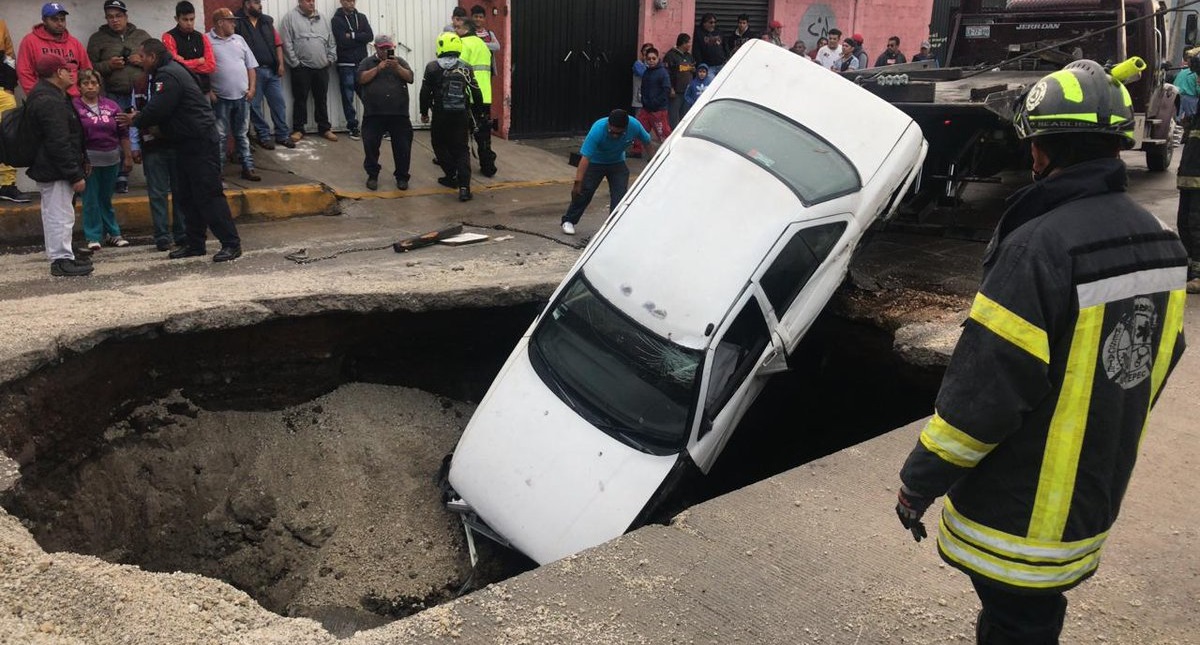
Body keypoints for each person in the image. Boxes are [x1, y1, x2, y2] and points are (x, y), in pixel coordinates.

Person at [895, 59, 1188, 644]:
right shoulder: (1161, 241)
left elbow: (985, 392)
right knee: (1032, 617)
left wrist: (918, 480)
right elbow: (1159, 358)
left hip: (1020, 507)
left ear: (1040, 151)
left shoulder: (1037, 247)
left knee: (1015, 623)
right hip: (1093, 489)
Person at [119, 39, 241, 262]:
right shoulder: (167, 71)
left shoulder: (167, 75)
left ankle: (231, 243)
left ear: (153, 57)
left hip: (200, 141)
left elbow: (159, 108)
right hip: (184, 142)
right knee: (187, 196)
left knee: (208, 194)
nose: (140, 60)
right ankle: (194, 244)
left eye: (143, 56)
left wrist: (135, 119)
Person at [25, 54, 91, 276]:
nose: (71, 73)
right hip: (55, 169)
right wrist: (74, 174)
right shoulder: (48, 100)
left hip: (54, 167)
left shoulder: (53, 95)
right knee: (59, 214)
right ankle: (61, 261)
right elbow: (58, 142)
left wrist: (82, 161)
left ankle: (64, 253)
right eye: (67, 69)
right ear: (58, 73)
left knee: (59, 213)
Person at [86, 0, 150, 194]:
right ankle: (121, 175)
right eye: (110, 17)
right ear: (106, 19)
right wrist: (109, 65)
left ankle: (151, 172)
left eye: (118, 16)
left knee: (147, 131)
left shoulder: (141, 35)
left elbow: (155, 59)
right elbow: (89, 67)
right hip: (113, 94)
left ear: (126, 16)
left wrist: (140, 61)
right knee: (118, 134)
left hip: (140, 95)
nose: (115, 20)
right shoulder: (98, 39)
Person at [560, 109, 652, 236]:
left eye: (618, 133)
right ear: (608, 125)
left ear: (626, 128)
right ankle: (569, 220)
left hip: (617, 162)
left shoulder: (634, 125)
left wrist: (652, 161)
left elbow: (647, 141)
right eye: (611, 132)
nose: (614, 135)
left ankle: (614, 225)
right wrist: (578, 183)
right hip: (595, 162)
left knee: (620, 194)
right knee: (585, 192)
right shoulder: (598, 129)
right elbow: (585, 158)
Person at [73, 69, 131, 251]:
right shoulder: (74, 107)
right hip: (89, 160)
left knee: (105, 198)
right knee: (90, 199)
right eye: (86, 83)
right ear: (79, 87)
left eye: (94, 83)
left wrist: (128, 156)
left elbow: (123, 132)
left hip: (112, 158)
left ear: (99, 86)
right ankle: (93, 236)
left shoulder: (112, 106)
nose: (90, 86)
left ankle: (113, 233)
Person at [420, 32, 481, 202]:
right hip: (461, 115)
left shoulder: (432, 67)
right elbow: (476, 91)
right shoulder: (466, 67)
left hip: (440, 115)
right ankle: (464, 188)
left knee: (439, 144)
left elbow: (425, 93)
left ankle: (450, 176)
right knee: (461, 149)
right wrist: (480, 112)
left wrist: (424, 112)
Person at [130, 72, 187, 251]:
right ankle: (162, 236)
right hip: (152, 145)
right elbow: (133, 113)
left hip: (176, 143)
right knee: (157, 193)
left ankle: (182, 233)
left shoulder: (174, 80)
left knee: (181, 191)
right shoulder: (140, 83)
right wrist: (134, 144)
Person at [208, 8, 260, 182]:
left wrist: (252, 88)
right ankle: (218, 171)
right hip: (220, 98)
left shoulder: (239, 40)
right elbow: (202, 70)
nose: (234, 23)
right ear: (220, 22)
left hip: (242, 97)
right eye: (230, 20)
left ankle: (248, 167)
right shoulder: (207, 40)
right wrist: (208, 91)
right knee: (220, 136)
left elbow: (251, 66)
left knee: (242, 134)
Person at [357, 34, 413, 191]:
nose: (387, 51)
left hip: (399, 113)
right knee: (371, 145)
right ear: (376, 48)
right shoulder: (367, 62)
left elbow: (410, 77)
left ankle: (402, 177)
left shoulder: (399, 61)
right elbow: (361, 79)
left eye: (390, 48)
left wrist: (397, 68)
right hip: (374, 113)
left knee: (402, 147)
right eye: (383, 48)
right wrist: (377, 68)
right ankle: (372, 175)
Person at [236, 0, 294, 149]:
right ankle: (264, 136)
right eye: (256, 2)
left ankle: (282, 135)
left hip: (272, 70)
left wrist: (280, 64)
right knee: (254, 106)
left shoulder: (266, 21)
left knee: (278, 104)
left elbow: (278, 44)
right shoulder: (238, 22)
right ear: (247, 4)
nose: (260, 5)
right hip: (253, 73)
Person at [279, 0, 337, 142]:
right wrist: (295, 64)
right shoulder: (290, 18)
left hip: (322, 67)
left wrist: (330, 59)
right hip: (301, 68)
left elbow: (331, 41)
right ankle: (298, 129)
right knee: (300, 99)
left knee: (321, 99)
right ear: (300, 2)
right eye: (308, 0)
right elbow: (286, 43)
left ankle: (324, 128)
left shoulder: (322, 18)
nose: (311, 3)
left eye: (313, 1)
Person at [18, 3, 92, 97]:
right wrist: (37, 96)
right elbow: (24, 72)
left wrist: (82, 94)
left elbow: (87, 70)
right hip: (46, 98)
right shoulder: (30, 41)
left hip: (75, 98)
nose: (60, 23)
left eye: (62, 19)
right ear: (44, 20)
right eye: (54, 19)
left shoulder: (74, 42)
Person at [456, 19, 497, 177]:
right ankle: (488, 166)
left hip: (469, 94)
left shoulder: (463, 44)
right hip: (485, 95)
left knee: (461, 134)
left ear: (466, 29)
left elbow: (460, 69)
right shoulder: (483, 45)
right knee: (484, 134)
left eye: (458, 27)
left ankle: (460, 168)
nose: (456, 30)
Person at [0, 18, 33, 204]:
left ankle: (7, 185)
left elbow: (9, 57)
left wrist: (9, 86)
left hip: (2, 91)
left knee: (8, 136)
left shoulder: (1, 24)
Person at [332, 0, 372, 141]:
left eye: (353, 0)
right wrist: (359, 37)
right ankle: (352, 126)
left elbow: (369, 36)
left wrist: (353, 35)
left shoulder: (361, 17)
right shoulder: (336, 20)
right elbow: (342, 41)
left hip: (361, 63)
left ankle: (375, 123)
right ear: (342, 2)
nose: (351, 3)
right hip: (345, 63)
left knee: (368, 94)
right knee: (348, 97)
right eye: (348, 0)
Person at [1175, 77, 1200, 294]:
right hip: (1190, 175)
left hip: (1197, 175)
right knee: (1185, 221)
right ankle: (1191, 268)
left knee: (1196, 223)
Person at [162, 2, 215, 97]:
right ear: (176, 19)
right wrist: (198, 61)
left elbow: (211, 66)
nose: (189, 23)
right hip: (181, 91)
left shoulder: (202, 37)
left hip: (202, 90)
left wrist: (184, 62)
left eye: (192, 19)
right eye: (185, 20)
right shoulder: (169, 37)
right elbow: (174, 65)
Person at [636, 47, 671, 147]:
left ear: (658, 58)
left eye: (653, 58)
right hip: (646, 108)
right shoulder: (646, 72)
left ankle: (667, 151)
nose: (651, 61)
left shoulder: (663, 73)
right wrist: (644, 101)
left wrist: (656, 103)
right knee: (639, 130)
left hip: (658, 110)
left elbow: (666, 90)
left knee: (663, 133)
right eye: (649, 59)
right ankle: (637, 150)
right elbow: (643, 88)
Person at [662, 33, 695, 128]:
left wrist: (693, 70)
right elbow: (667, 74)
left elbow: (693, 68)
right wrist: (671, 88)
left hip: (687, 92)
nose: (690, 45)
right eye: (688, 42)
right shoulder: (671, 56)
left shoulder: (689, 56)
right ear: (683, 43)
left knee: (685, 116)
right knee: (673, 117)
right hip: (675, 92)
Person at [629, 42, 652, 158]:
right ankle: (637, 148)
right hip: (639, 98)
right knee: (638, 123)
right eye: (646, 52)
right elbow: (645, 74)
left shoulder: (654, 67)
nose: (648, 56)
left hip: (651, 99)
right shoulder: (638, 64)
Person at [1174, 55, 1199, 124]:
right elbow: (1198, 89)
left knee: (1176, 117)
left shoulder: (1183, 71)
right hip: (1190, 98)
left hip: (1176, 95)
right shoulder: (1196, 73)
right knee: (1192, 119)